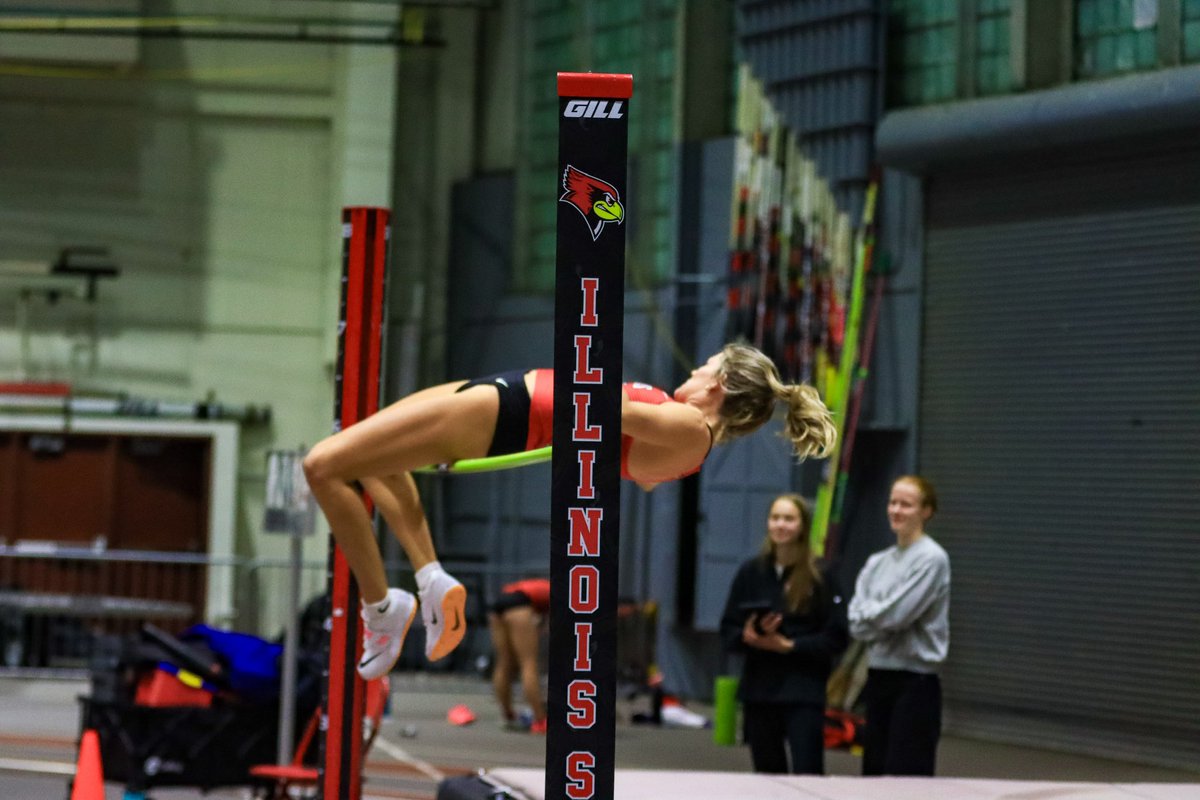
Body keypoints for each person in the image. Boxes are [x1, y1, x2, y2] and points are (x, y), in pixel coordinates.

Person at [302, 342, 837, 680]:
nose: (694, 370)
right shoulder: (688, 444)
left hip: (512, 412)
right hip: (512, 395)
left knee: (324, 466)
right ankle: (430, 577)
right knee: (365, 452)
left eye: (704, 367)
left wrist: (588, 332)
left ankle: (382, 607)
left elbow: (597, 406)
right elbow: (637, 467)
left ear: (716, 386)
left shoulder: (690, 428)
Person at [719, 493, 848, 774]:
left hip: (802, 690)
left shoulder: (821, 575)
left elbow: (837, 636)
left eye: (789, 519)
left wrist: (789, 645)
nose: (781, 525)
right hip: (760, 690)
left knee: (808, 773)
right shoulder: (751, 572)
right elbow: (728, 628)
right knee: (767, 776)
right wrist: (748, 636)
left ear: (803, 525)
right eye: (776, 518)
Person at [847, 474, 950, 776]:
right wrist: (879, 617)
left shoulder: (932, 559)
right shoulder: (877, 562)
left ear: (926, 511)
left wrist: (874, 616)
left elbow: (897, 616)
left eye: (906, 504)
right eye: (893, 502)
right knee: (874, 773)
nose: (896, 510)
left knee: (907, 779)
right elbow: (856, 623)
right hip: (879, 677)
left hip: (915, 683)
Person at [488, 577, 551, 734]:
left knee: (504, 663)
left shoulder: (540, 586)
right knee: (528, 663)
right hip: (519, 606)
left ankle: (508, 714)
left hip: (498, 605)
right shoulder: (564, 594)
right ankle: (540, 718)